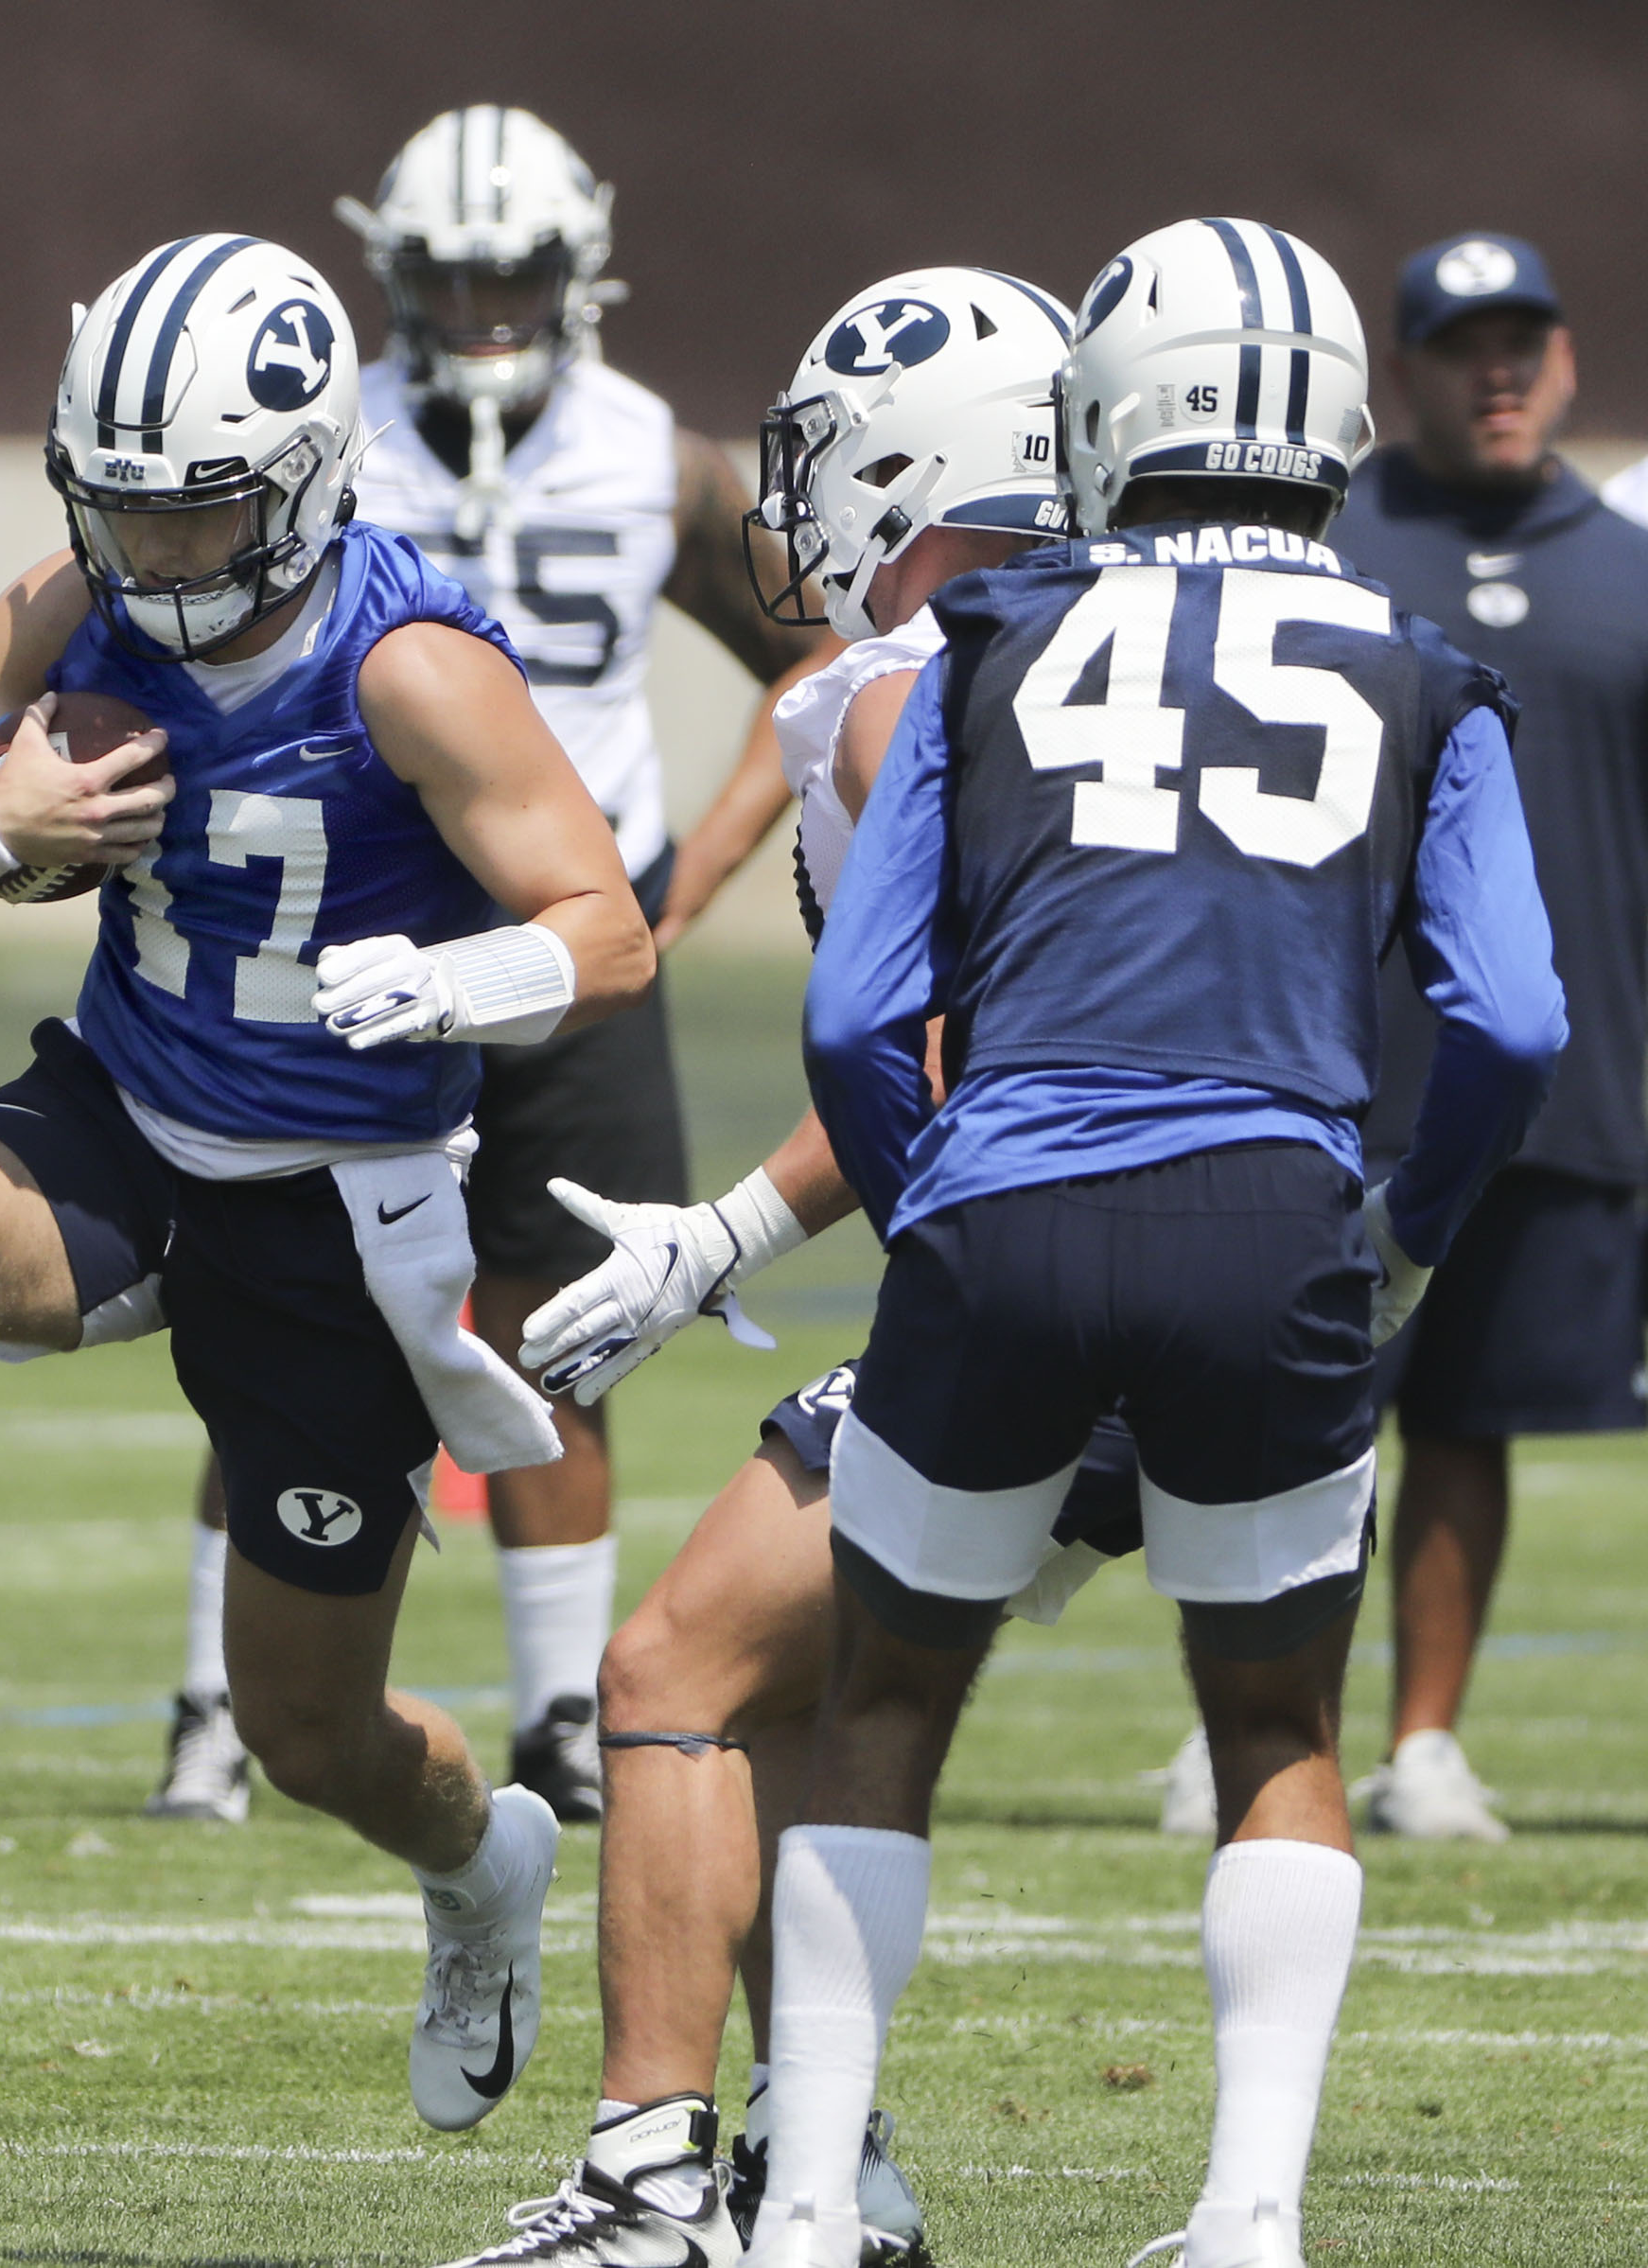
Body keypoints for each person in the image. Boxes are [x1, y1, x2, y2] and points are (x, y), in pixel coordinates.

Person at [0, 233, 657, 2135]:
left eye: (199, 517)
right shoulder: (54, 606)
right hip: (122, 1110)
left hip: (341, 1202)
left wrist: (458, 976)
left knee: (308, 1732)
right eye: (122, 511)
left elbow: (613, 931)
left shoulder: (410, 666)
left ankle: (484, 1859)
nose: (154, 556)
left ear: (310, 478)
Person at [745, 220, 1563, 2268]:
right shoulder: (1424, 666)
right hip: (1274, 1218)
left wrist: (933, 1197)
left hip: (1006, 1198)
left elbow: (857, 1013)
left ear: (1106, 409)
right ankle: (1247, 2214)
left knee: (883, 1700)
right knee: (1274, 1720)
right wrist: (1403, 1239)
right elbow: (1516, 1018)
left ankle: (810, 2205)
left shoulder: (994, 640)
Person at [430, 265, 1080, 2268]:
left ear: (920, 456)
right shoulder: (1124, 645)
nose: (795, 501)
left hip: (1052, 1270)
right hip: (1244, 1257)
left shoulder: (908, 689)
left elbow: (965, 1047)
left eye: (830, 457)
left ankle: (648, 2178)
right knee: (807, 1685)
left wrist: (730, 1223)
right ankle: (834, 2161)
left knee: (670, 1669)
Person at [141, 105, 832, 1829]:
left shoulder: (652, 457)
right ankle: (214, 1709)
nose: (481, 302)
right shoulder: (324, 423)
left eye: (513, 267)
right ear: (390, 268)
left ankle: (561, 1717)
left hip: (561, 939)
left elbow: (815, 651)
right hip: (352, 927)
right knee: (275, 1319)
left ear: (578, 265)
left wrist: (687, 881)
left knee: (560, 1326)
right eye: (448, 270)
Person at [1250, 232, 1646, 1846]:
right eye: (1460, 343)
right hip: (1344, 1071)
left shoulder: (1630, 566)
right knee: (1298, 1421)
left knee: (1471, 1424)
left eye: (1523, 341)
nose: (1497, 370)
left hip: (1567, 1075)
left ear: (1563, 361)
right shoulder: (1329, 550)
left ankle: (1421, 1744)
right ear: (1399, 371)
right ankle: (1276, 1730)